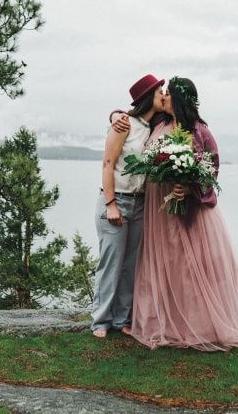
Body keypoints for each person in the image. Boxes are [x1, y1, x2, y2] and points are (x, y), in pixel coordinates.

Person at [118, 77, 238, 351]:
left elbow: (211, 168)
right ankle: (165, 320)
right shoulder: (158, 124)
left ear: (177, 99)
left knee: (191, 265)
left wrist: (188, 189)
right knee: (166, 260)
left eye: (167, 93)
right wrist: (115, 114)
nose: (162, 96)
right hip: (158, 205)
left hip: (190, 207)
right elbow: (132, 115)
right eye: (161, 93)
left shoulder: (200, 131)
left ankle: (197, 325)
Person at [91, 74, 165, 338]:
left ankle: (122, 318)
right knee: (110, 264)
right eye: (160, 92)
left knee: (130, 265)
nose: (163, 95)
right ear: (148, 97)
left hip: (140, 204)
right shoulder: (124, 124)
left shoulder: (155, 128)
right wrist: (111, 204)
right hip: (117, 200)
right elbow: (108, 164)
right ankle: (100, 321)